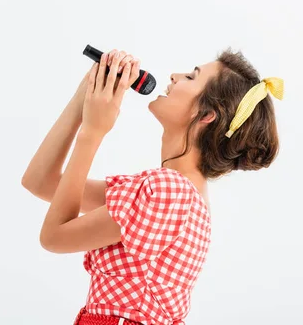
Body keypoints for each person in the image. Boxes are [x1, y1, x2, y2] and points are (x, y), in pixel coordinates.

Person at [21, 48, 284, 324]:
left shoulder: (170, 193)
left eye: (191, 77)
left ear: (207, 115)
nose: (174, 76)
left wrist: (93, 131)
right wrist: (86, 95)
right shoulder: (166, 192)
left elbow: (53, 237)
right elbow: (42, 182)